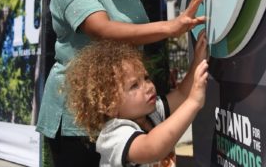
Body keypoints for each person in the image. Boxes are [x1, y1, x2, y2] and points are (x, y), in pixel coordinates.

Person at [36, 0, 207, 166]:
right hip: (77, 116)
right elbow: (101, 29)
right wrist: (171, 27)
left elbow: (133, 36)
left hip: (121, 110)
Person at [66, 32, 209, 167]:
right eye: (134, 86)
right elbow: (152, 148)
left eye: (146, 78)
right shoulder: (114, 135)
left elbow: (181, 95)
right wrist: (193, 103)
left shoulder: (151, 113)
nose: (148, 87)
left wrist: (198, 62)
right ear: (109, 105)